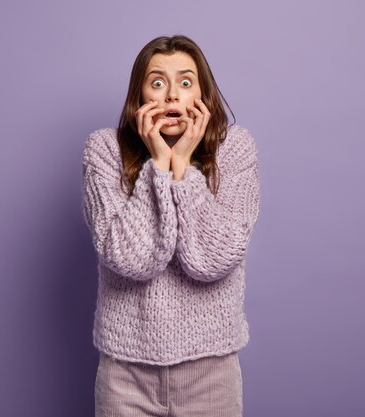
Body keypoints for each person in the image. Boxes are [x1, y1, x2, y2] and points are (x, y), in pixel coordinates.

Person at [81, 34, 260, 417]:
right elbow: (130, 258)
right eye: (157, 82)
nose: (171, 96)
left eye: (185, 82)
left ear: (203, 92)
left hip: (211, 372)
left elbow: (215, 259)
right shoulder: (104, 151)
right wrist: (159, 165)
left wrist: (184, 167)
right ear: (139, 95)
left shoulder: (236, 150)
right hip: (126, 375)